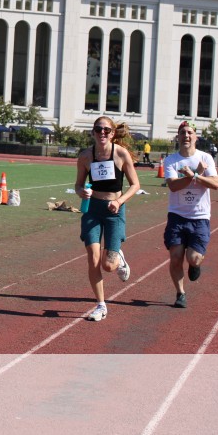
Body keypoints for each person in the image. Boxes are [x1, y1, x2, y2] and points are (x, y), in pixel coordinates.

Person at [75, 116, 140, 322]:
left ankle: (118, 256)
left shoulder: (120, 154)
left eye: (106, 130)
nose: (102, 133)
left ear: (112, 133)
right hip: (92, 209)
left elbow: (135, 185)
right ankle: (101, 305)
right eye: (98, 129)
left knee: (108, 266)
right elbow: (78, 185)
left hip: (114, 210)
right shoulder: (85, 156)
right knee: (93, 258)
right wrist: (81, 192)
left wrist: (119, 201)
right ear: (93, 132)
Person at [163, 121, 218, 309]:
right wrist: (194, 175)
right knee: (176, 256)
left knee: (193, 258)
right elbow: (173, 186)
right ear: (178, 137)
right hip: (177, 216)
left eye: (189, 133)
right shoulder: (171, 160)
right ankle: (180, 293)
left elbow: (215, 184)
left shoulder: (205, 158)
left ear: (196, 137)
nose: (186, 136)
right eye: (182, 133)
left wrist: (194, 175)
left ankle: (195, 265)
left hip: (199, 217)